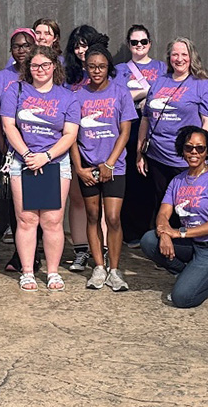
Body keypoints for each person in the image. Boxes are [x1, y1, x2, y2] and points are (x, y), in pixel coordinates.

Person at [0, 44, 80, 292]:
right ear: (28, 68)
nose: (40, 69)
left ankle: (53, 272)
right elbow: (8, 126)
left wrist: (46, 156)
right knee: (26, 219)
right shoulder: (16, 90)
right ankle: (27, 272)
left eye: (46, 64)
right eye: (35, 65)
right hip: (22, 161)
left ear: (54, 66)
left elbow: (70, 134)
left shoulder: (68, 97)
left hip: (55, 163)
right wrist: (26, 154)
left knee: (53, 220)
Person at [140, 127, 208, 307]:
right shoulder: (178, 180)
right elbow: (163, 213)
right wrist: (165, 233)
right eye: (189, 148)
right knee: (149, 240)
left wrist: (178, 233)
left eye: (200, 148)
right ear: (182, 150)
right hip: (194, 243)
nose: (194, 152)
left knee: (183, 298)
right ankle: (191, 277)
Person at [70, 45, 136, 291]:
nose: (97, 71)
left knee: (113, 218)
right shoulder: (77, 95)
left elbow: (125, 131)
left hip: (114, 166)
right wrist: (79, 168)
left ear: (109, 67)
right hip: (87, 166)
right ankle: (98, 267)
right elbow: (72, 135)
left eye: (101, 66)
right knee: (91, 216)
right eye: (92, 66)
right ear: (85, 67)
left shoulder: (121, 93)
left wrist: (110, 163)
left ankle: (115, 270)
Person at [136, 37, 208, 207]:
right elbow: (145, 119)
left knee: (186, 207)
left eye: (184, 54)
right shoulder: (160, 81)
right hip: (157, 157)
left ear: (192, 57)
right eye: (175, 54)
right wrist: (140, 152)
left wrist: (200, 156)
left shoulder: (203, 85)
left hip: (186, 160)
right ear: (169, 57)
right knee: (162, 205)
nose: (179, 59)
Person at [0, 28, 36, 268]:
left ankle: (37, 254)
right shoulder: (1, 78)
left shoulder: (44, 73)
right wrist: (4, 146)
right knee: (17, 205)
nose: (22, 50)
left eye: (27, 45)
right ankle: (20, 253)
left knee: (40, 203)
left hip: (39, 150)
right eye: (17, 46)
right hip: (8, 150)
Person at [61, 25, 109, 272]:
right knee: (78, 201)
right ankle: (81, 251)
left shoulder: (108, 73)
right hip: (73, 146)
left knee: (101, 204)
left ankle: (102, 250)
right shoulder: (66, 76)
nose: (81, 50)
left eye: (85, 44)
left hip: (101, 147)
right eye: (77, 45)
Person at [120, 25, 168, 244]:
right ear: (129, 45)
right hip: (129, 130)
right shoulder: (120, 69)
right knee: (132, 182)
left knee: (155, 183)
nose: (139, 46)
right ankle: (132, 232)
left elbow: (169, 93)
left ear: (150, 43)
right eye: (134, 42)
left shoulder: (162, 67)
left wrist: (138, 95)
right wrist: (150, 92)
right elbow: (120, 98)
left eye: (143, 42)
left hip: (158, 129)